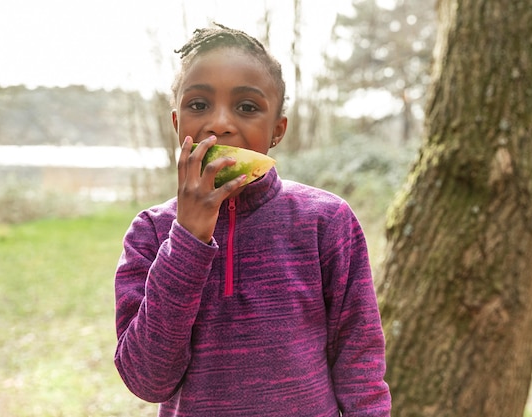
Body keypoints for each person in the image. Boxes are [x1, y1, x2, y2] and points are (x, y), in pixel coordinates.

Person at [114, 23, 391, 417]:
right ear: (178, 125)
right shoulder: (151, 232)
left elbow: (359, 365)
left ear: (277, 130)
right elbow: (148, 380)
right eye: (198, 105)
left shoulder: (326, 222)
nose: (220, 123)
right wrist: (187, 240)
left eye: (246, 107)